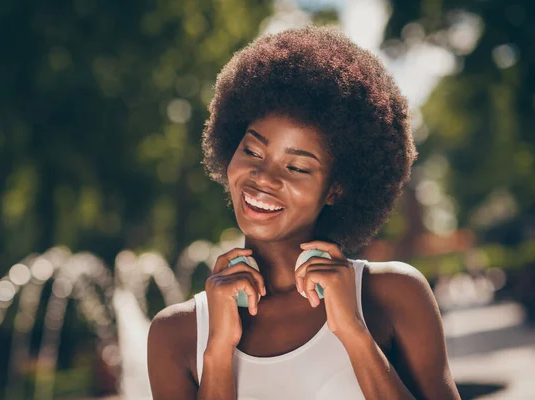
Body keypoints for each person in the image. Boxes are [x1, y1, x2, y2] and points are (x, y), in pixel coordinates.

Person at [147, 25, 461, 399]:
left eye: (296, 167)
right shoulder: (177, 334)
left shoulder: (394, 295)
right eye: (252, 151)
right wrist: (216, 351)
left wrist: (354, 333)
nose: (263, 177)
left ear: (335, 188)